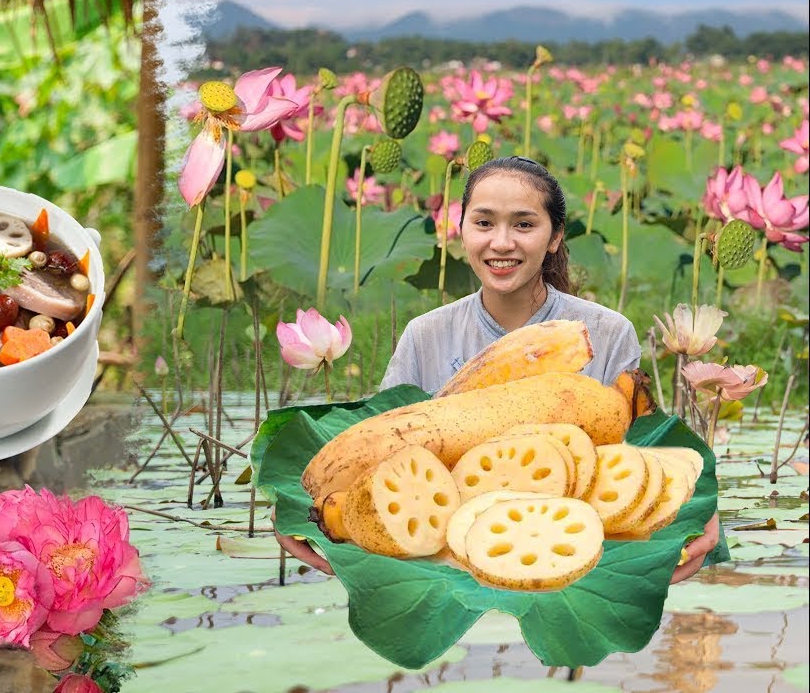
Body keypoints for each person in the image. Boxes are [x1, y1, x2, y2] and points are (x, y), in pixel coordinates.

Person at [276, 156, 719, 582]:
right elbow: (379, 448)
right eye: (484, 223)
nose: (502, 243)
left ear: (554, 237)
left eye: (524, 225)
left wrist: (697, 507)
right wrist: (300, 511)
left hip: (558, 544)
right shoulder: (425, 334)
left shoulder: (605, 332)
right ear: (462, 228)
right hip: (441, 552)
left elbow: (632, 462)